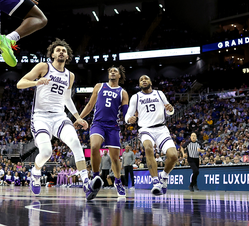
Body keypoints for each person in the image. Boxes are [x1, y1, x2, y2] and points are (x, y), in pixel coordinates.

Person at [17, 38, 90, 196]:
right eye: (58, 50)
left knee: (76, 143)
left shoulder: (70, 76)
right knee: (46, 152)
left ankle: (86, 182)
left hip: (60, 117)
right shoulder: (44, 66)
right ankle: (35, 173)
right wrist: (36, 82)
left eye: (64, 50)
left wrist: (77, 117)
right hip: (41, 117)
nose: (61, 52)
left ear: (68, 55)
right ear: (52, 54)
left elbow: (67, 98)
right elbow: (20, 83)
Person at [79, 65, 130, 199]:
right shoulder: (99, 86)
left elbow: (126, 113)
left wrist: (132, 117)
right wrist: (79, 118)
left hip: (113, 126)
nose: (112, 72)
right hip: (98, 124)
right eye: (110, 71)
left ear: (119, 76)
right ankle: (96, 178)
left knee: (115, 158)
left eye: (115, 71)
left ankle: (118, 182)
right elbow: (90, 105)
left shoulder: (122, 92)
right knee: (94, 146)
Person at [124, 75, 178, 196]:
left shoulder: (159, 94)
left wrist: (171, 109)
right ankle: (155, 182)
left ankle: (164, 176)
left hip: (161, 128)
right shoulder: (136, 97)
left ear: (150, 82)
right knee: (148, 147)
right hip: (145, 129)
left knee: (174, 156)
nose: (143, 80)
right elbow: (127, 115)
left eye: (146, 79)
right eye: (141, 79)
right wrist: (129, 119)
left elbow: (170, 111)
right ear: (139, 84)